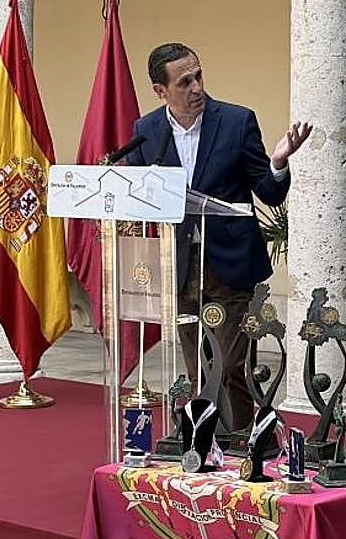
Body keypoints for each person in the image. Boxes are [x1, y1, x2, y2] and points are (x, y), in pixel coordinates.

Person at [127, 43, 310, 431]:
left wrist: (278, 162)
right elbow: (139, 196)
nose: (196, 88)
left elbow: (269, 192)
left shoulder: (236, 121)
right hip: (180, 265)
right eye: (184, 82)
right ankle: (208, 444)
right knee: (199, 370)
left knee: (230, 365)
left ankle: (247, 442)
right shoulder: (146, 131)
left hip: (230, 262)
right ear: (160, 91)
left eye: (198, 76)